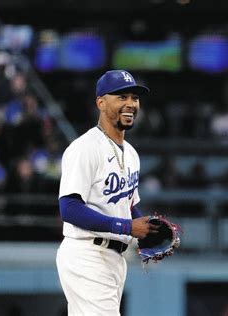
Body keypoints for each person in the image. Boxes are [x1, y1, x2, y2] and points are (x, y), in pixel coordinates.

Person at [56, 70, 160, 315]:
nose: (130, 104)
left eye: (134, 98)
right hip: (87, 253)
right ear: (100, 102)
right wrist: (127, 227)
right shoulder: (84, 148)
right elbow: (68, 208)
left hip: (114, 258)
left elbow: (129, 205)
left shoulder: (132, 154)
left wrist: (148, 232)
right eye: (121, 97)